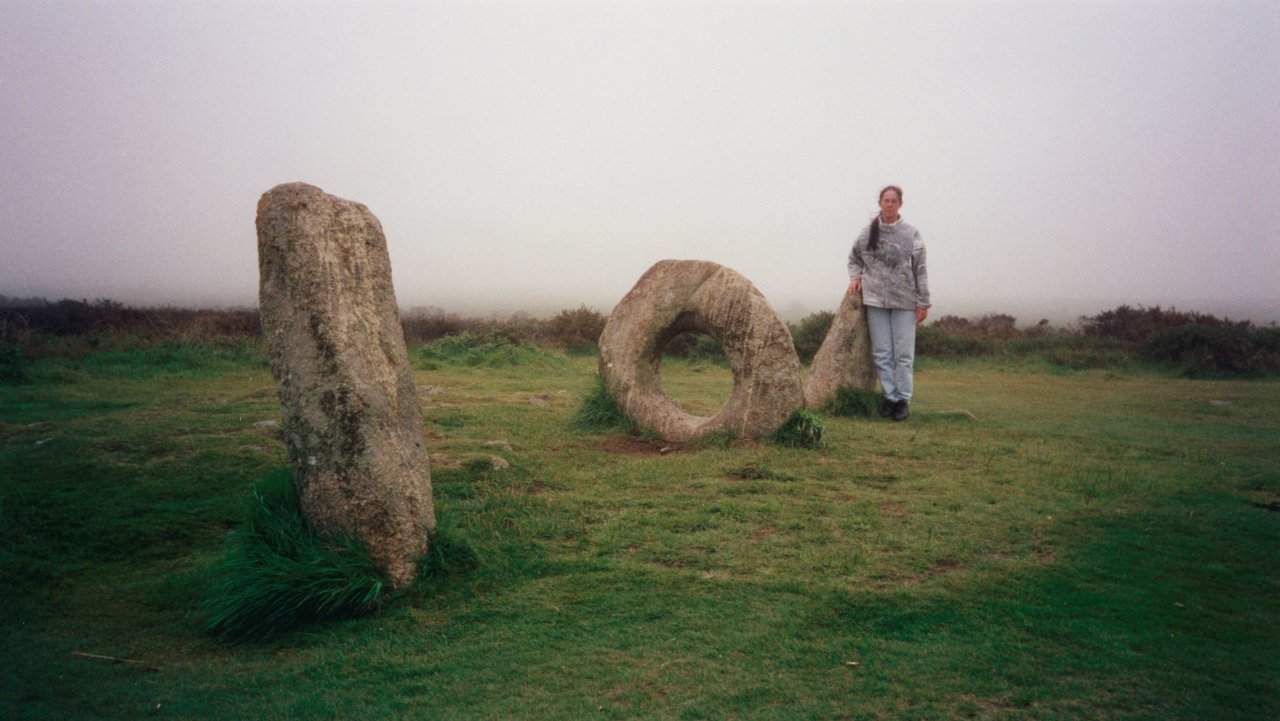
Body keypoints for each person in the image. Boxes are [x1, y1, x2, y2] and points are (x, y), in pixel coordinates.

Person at [847, 185, 931, 421]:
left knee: (903, 355)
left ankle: (903, 400)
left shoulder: (911, 234)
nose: (889, 205)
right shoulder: (867, 233)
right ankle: (889, 397)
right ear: (880, 203)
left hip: (904, 302)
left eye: (894, 201)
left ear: (900, 204)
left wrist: (923, 302)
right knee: (882, 353)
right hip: (875, 302)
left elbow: (920, 269)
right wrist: (855, 277)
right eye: (886, 200)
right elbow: (854, 258)